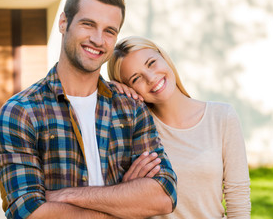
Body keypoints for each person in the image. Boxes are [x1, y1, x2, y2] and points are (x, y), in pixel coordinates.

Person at [0, 0, 177, 219]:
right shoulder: (21, 112)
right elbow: (28, 212)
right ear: (63, 23)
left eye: (109, 31)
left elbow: (164, 197)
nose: (98, 40)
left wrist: (66, 195)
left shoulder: (130, 107)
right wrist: (124, 199)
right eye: (88, 24)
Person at [108, 36, 251, 219]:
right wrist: (110, 90)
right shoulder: (136, 131)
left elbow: (238, 198)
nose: (151, 78)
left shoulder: (222, 116)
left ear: (164, 58)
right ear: (129, 88)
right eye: (136, 78)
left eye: (151, 63)